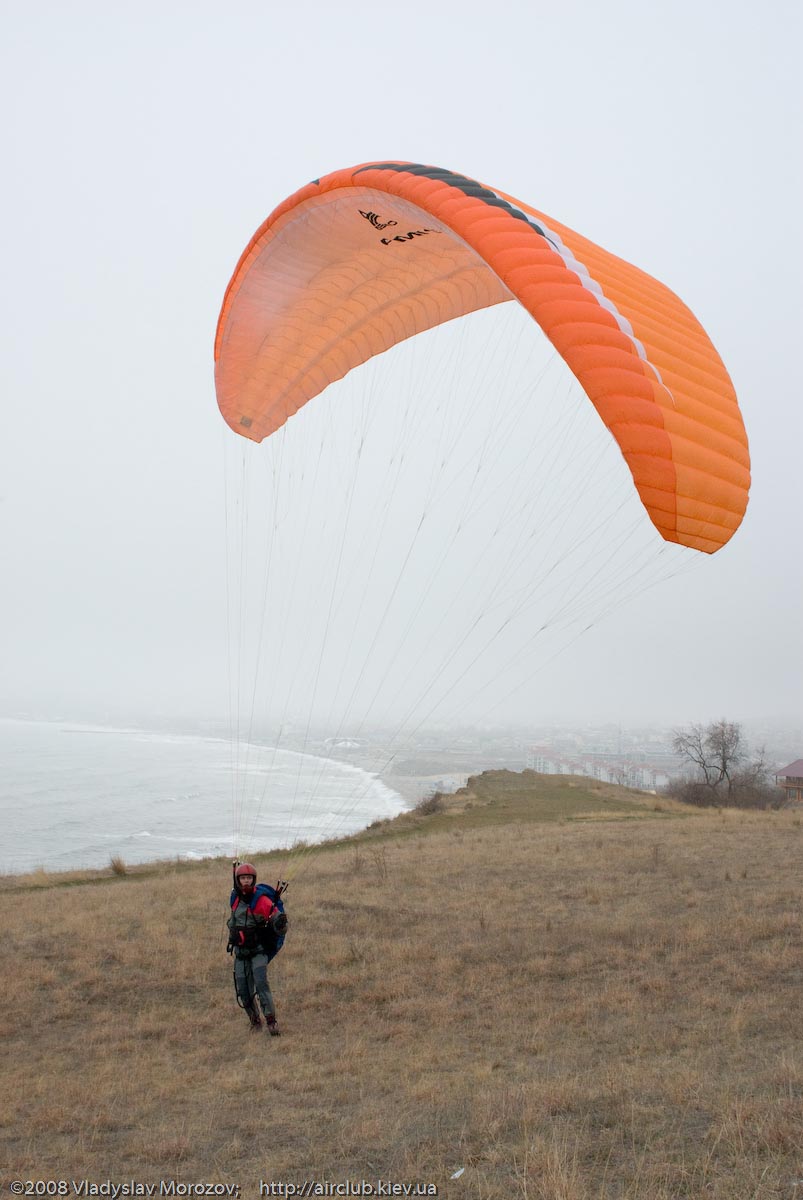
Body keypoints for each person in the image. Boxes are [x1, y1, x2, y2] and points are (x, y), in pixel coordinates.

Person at [227, 862, 283, 1036]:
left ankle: (271, 1021)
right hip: (241, 953)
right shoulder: (235, 899)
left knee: (260, 983)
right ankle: (254, 1020)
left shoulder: (261, 900)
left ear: (254, 880)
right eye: (243, 878)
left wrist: (280, 922)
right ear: (238, 880)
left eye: (249, 878)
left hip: (258, 951)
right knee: (243, 990)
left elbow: (277, 918)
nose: (246, 881)